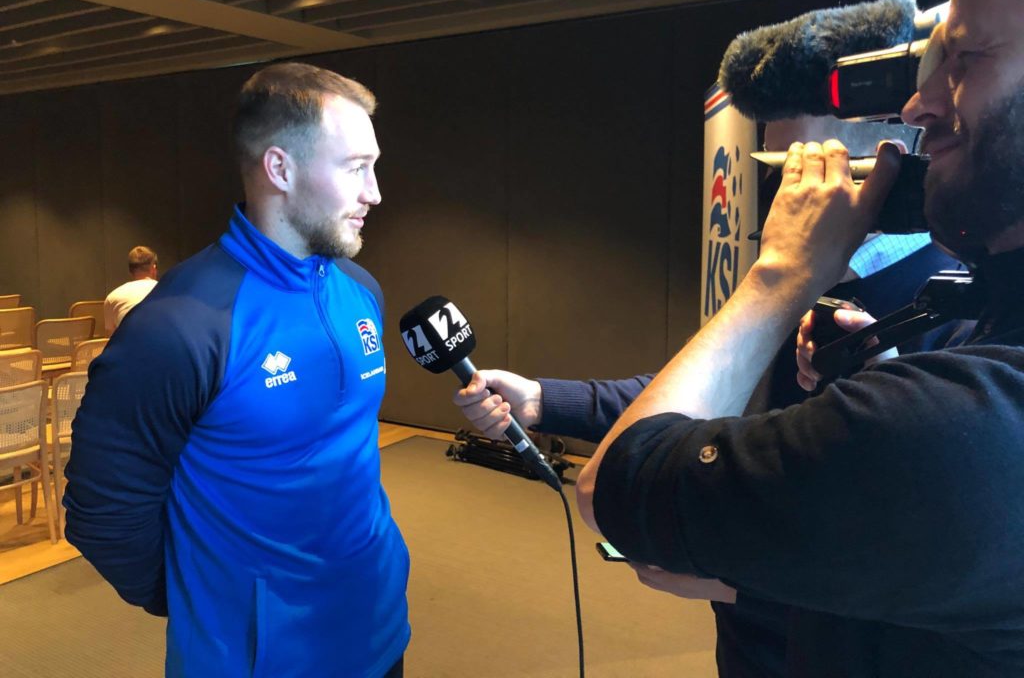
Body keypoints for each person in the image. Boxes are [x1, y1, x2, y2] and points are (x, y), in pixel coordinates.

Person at [465, 0, 1024, 673]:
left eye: (968, 59)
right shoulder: (961, 308)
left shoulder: (964, 376)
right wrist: (543, 399)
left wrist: (779, 277)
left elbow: (625, 483)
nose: (922, 106)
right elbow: (737, 412)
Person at [454, 115, 966, 678]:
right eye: (777, 169)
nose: (781, 197)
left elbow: (943, 585)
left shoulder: (959, 311)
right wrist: (542, 400)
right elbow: (709, 400)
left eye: (801, 170)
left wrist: (746, 588)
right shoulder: (811, 274)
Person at [64, 63, 408, 678]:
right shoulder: (178, 326)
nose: (374, 192)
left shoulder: (361, 289)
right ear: (280, 169)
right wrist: (208, 598)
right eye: (356, 167)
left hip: (377, 629)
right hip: (253, 661)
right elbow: (104, 513)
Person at [103, 245, 159, 334]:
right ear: (153, 268)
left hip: (128, 342)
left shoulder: (112, 298)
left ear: (130, 271)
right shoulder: (168, 291)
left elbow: (112, 337)